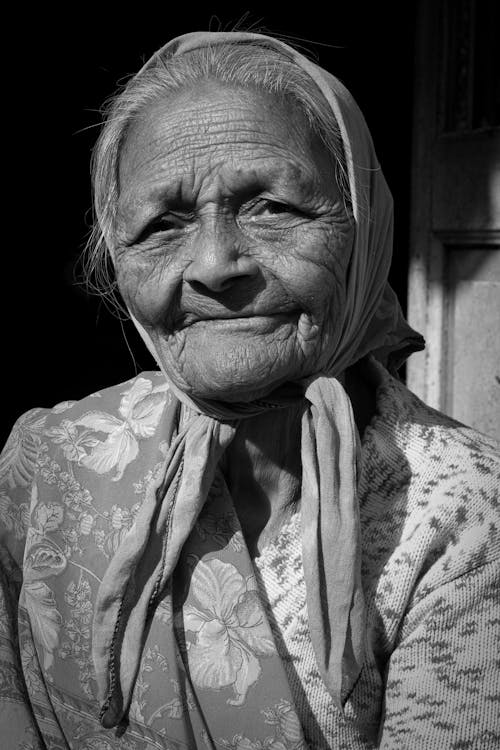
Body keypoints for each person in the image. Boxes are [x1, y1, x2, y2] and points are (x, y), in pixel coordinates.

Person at [0, 30, 498, 750]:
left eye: (269, 207)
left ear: (364, 229)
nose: (213, 265)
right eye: (161, 223)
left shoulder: (461, 506)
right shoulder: (46, 464)